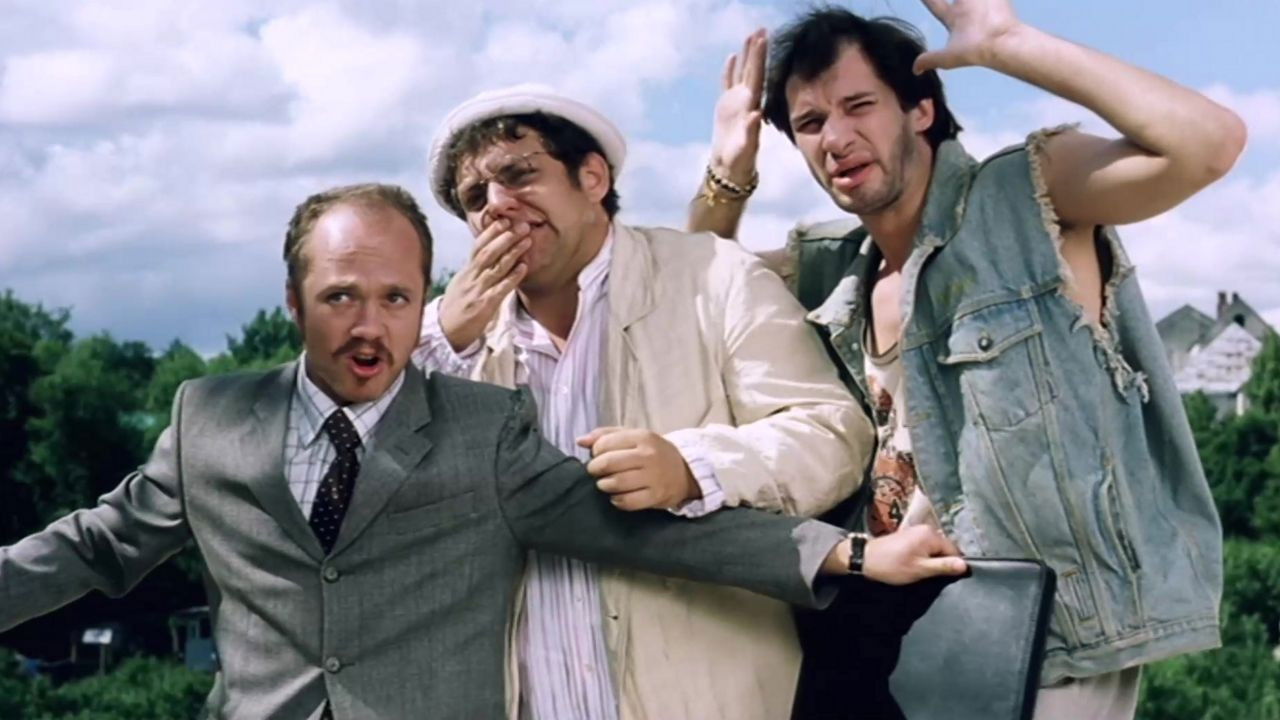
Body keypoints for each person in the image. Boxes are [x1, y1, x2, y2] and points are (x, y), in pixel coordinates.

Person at [0, 182, 966, 720]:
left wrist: (849, 553)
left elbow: (651, 535)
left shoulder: (483, 427)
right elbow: (96, 545)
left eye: (395, 298)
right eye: (340, 298)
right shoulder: (210, 416)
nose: (370, 327)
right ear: (293, 301)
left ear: (425, 298)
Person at [688, 2, 1245, 718]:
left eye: (860, 105)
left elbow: (1208, 145)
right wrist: (729, 169)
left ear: (920, 110)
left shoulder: (1026, 196)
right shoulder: (831, 267)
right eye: (811, 122)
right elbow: (700, 292)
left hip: (1045, 635)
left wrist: (1010, 43)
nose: (837, 137)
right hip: (882, 640)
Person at [417, 84, 932, 720]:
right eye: (474, 198)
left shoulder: (714, 275)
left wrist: (692, 466)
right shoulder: (452, 342)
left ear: (593, 177)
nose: (496, 205)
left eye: (519, 174)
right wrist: (445, 342)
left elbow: (832, 436)